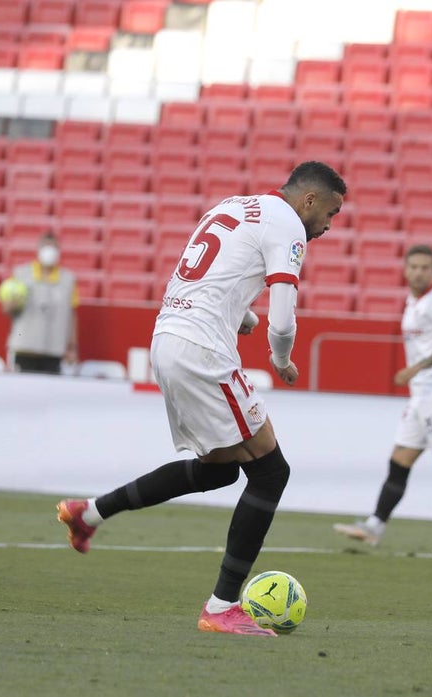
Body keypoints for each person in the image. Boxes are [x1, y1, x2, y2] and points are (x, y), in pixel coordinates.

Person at [56, 161, 346, 637]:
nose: (329, 226)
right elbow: (283, 318)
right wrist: (282, 358)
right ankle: (222, 607)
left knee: (221, 470)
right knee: (271, 472)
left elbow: (210, 282)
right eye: (330, 213)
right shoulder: (288, 224)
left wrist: (242, 319)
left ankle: (89, 512)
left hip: (168, 338)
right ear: (309, 200)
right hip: (203, 351)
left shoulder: (233, 206)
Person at [333, 244, 432, 554]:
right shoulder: (412, 301)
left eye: (425, 267)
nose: (418, 272)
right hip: (421, 397)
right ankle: (375, 526)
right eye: (413, 267)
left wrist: (414, 368)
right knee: (399, 461)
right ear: (405, 269)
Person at [0, 233, 78, 374]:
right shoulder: (21, 274)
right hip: (24, 345)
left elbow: (71, 314)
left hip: (54, 348)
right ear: (39, 248)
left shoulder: (68, 279)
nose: (50, 250)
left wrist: (72, 346)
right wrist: (10, 306)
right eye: (46, 246)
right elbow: (6, 309)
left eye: (53, 247)